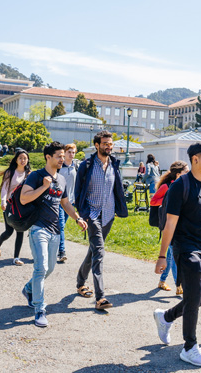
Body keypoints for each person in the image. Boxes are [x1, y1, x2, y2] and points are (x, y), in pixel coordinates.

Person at [153, 142, 201, 367]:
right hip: (185, 247)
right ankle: (189, 347)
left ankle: (166, 317)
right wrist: (162, 256)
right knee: (193, 296)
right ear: (195, 159)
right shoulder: (180, 186)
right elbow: (170, 223)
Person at [20, 141, 88, 327]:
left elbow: (65, 203)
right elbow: (24, 198)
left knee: (49, 269)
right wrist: (43, 187)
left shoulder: (62, 179)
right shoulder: (36, 176)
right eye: (58, 156)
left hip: (55, 231)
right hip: (38, 229)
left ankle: (28, 289)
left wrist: (77, 218)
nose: (62, 159)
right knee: (40, 268)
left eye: (62, 156)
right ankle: (39, 309)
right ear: (47, 157)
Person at [74, 130, 128, 311]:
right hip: (92, 215)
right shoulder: (87, 165)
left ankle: (80, 282)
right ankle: (101, 297)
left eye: (110, 143)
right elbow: (78, 192)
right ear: (97, 145)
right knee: (99, 252)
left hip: (109, 215)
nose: (109, 146)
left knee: (93, 250)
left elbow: (117, 188)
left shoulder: (114, 164)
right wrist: (83, 214)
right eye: (105, 143)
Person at [150, 160, 189, 294]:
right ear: (178, 174)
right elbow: (153, 200)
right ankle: (179, 285)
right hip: (168, 224)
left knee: (171, 255)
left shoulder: (183, 185)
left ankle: (162, 281)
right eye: (186, 172)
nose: (188, 174)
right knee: (174, 254)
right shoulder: (167, 187)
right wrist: (169, 201)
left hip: (179, 224)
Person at [0, 149, 30, 265]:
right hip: (9, 204)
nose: (23, 160)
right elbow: (4, 188)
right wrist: (3, 202)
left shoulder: (29, 173)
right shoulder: (10, 172)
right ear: (16, 160)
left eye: (25, 158)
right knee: (8, 231)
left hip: (22, 206)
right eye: (20, 158)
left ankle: (16, 257)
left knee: (20, 231)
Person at [57, 143, 80, 264]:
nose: (71, 154)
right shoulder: (59, 167)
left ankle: (53, 246)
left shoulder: (75, 167)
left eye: (73, 152)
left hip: (70, 202)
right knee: (60, 225)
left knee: (61, 227)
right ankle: (62, 251)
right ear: (64, 153)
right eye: (69, 152)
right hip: (59, 201)